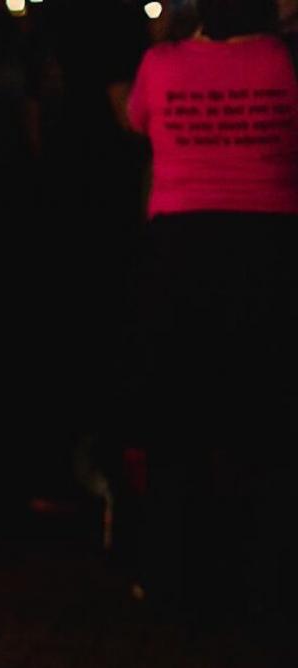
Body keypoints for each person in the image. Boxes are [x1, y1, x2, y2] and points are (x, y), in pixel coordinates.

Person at [125, 0, 298, 619]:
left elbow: (137, 121)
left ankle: (171, 573)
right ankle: (268, 579)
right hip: (271, 251)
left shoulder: (161, 63)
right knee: (269, 424)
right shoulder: (285, 60)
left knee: (177, 420)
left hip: (181, 250)